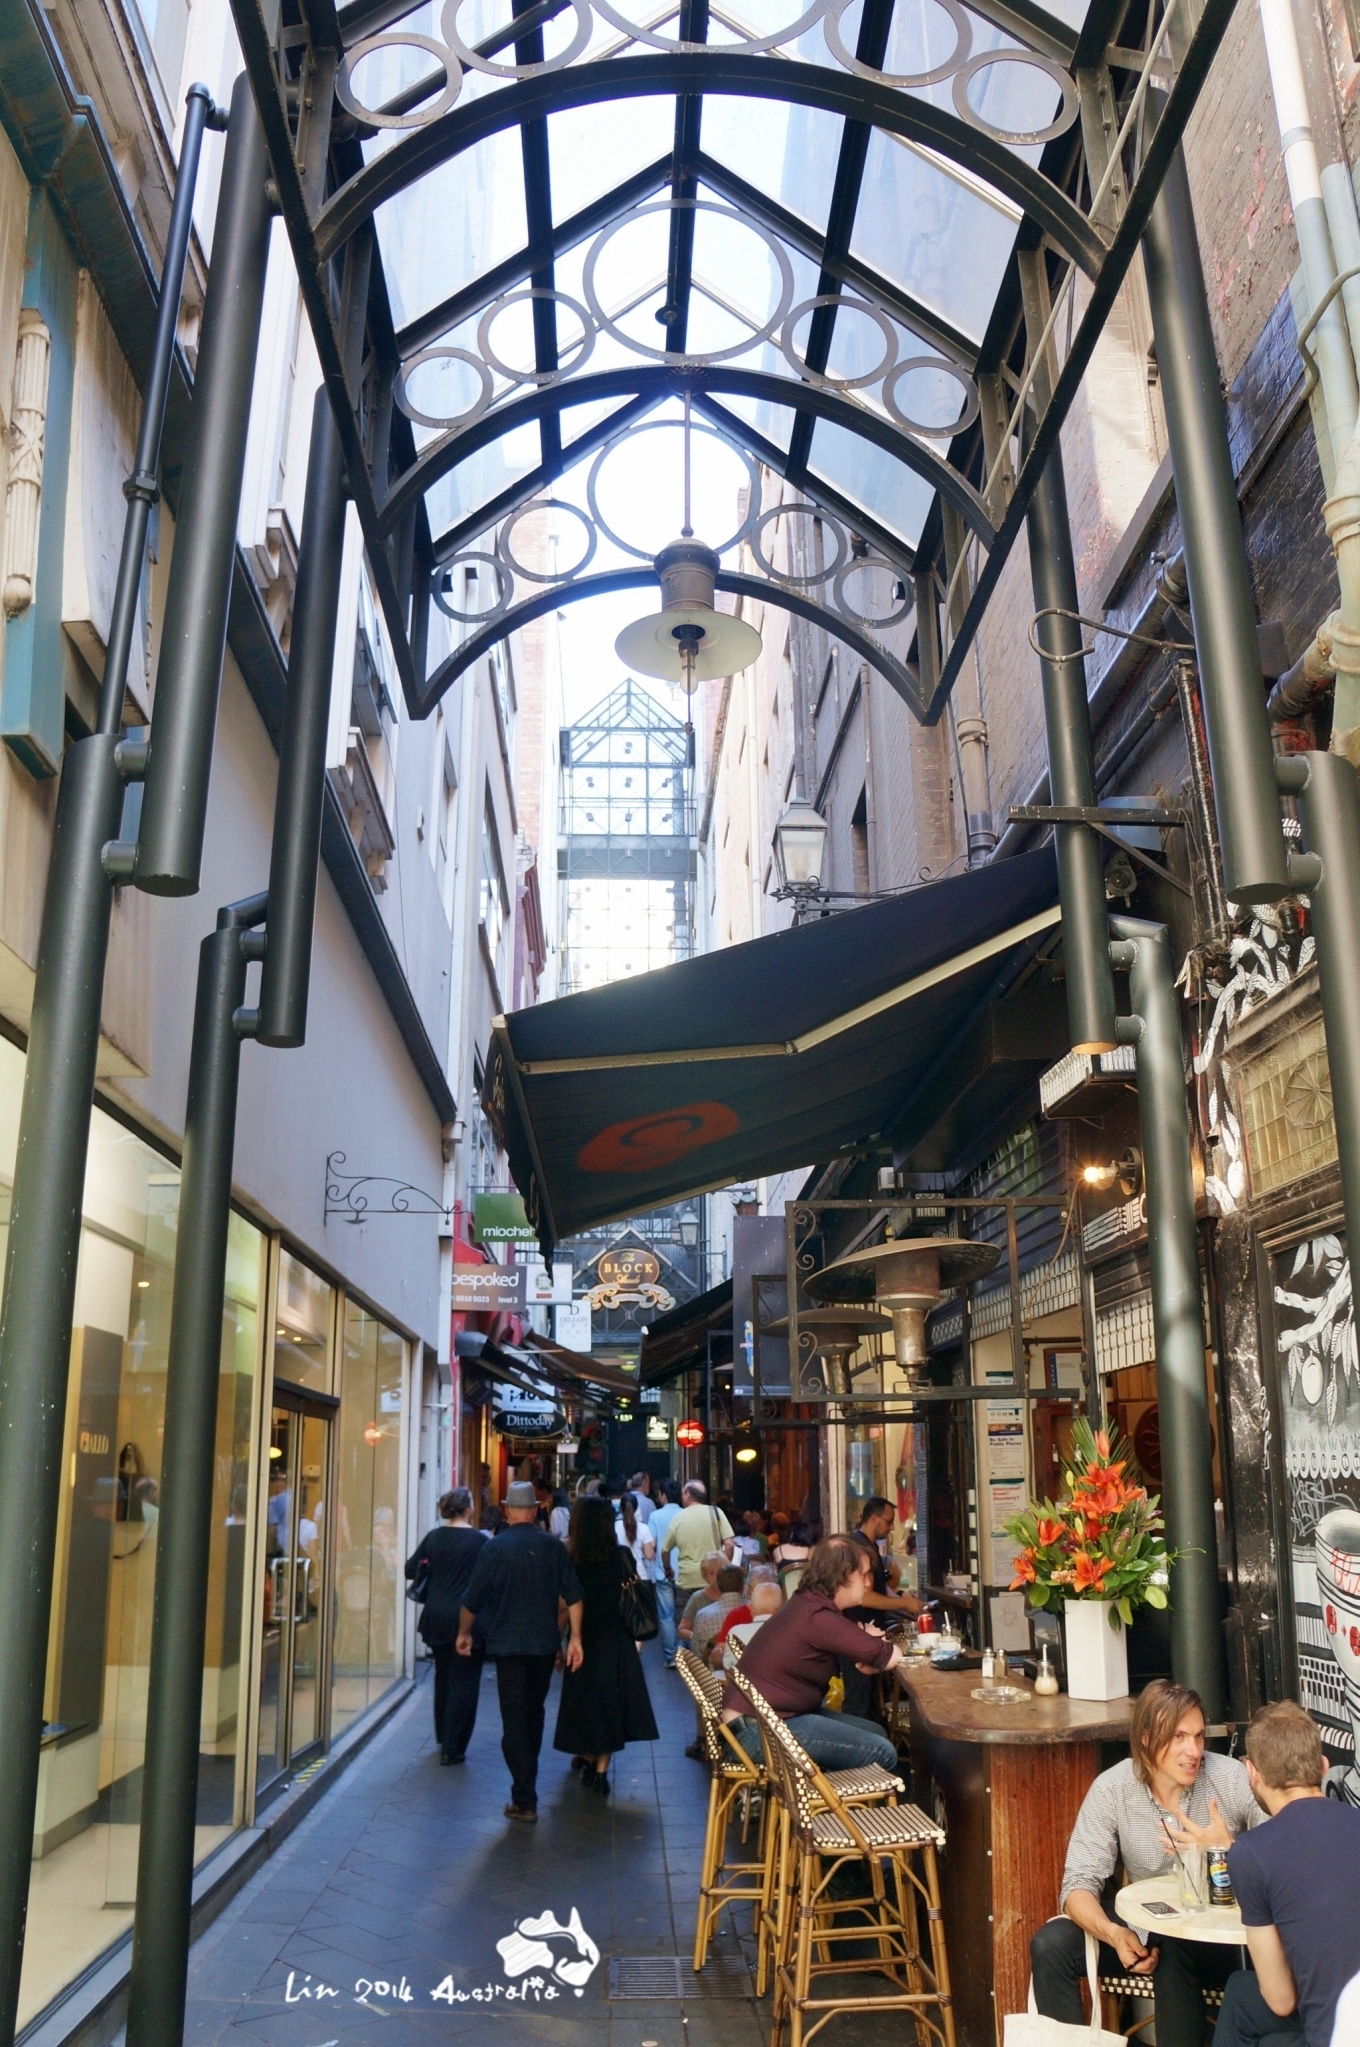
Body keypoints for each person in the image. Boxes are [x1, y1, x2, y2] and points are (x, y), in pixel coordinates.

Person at [1031, 1679, 1262, 2047]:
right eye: (1178, 1737)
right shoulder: (1113, 1788)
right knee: (1051, 1945)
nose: (1193, 1751)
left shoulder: (1230, 1778)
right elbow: (1077, 1885)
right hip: (1145, 1925)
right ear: (1145, 1739)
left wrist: (1230, 1849)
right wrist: (1114, 1934)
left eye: (1198, 1736)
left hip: (1223, 1935)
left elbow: (1284, 1860)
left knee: (1173, 1944)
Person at [1212, 1701, 1360, 2047]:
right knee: (1241, 1994)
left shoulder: (1251, 1853)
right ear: (1323, 1766)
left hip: (1337, 2036)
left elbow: (1281, 2000)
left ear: (1253, 1773)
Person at [457, 1480, 584, 1823]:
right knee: (534, 1711)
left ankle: (524, 1795)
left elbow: (472, 1599)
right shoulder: (553, 1547)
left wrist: (464, 1633)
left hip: (508, 1646)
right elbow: (574, 1596)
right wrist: (574, 1638)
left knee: (514, 1717)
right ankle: (526, 1781)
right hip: (543, 1644)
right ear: (534, 1510)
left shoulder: (495, 1548)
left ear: (509, 1511)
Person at [720, 1535, 902, 1773]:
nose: (868, 1583)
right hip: (760, 1730)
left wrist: (872, 1651)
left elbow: (864, 1645)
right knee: (882, 1751)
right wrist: (880, 1650)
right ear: (845, 1575)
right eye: (864, 1574)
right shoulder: (818, 1616)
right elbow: (891, 1656)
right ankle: (834, 1796)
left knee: (875, 1732)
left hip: (765, 1719)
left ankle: (836, 1794)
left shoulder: (809, 1603)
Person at [553, 1497, 659, 1793]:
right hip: (616, 1641)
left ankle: (588, 1759)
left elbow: (563, 1607)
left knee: (585, 1705)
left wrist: (557, 1644)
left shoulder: (570, 1558)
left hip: (582, 1641)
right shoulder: (621, 1555)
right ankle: (600, 1772)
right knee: (610, 1706)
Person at [404, 1488, 488, 1765]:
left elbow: (410, 1569)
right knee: (465, 1681)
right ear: (468, 1509)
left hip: (436, 1615)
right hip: (468, 1617)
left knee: (443, 1675)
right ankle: (453, 1747)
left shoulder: (434, 1537)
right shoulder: (480, 1541)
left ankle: (442, 1734)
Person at [841, 1496, 925, 1717]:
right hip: (857, 1633)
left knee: (868, 1702)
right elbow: (865, 1597)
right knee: (858, 1702)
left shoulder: (868, 1546)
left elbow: (879, 1589)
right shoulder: (859, 1548)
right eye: (888, 1522)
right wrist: (904, 1603)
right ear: (874, 1519)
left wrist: (905, 1601)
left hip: (867, 1633)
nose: (891, 1527)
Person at [664, 1480, 735, 1594]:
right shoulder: (716, 1512)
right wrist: (723, 1568)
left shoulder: (678, 1518)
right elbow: (729, 1544)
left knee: (686, 1606)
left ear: (687, 1494)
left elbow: (665, 1550)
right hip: (712, 1578)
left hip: (687, 1580)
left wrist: (667, 1568)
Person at [649, 1481, 683, 1668]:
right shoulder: (685, 1514)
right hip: (684, 1571)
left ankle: (671, 1657)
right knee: (686, 1614)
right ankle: (685, 1655)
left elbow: (652, 1544)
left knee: (666, 1616)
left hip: (663, 1571)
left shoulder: (655, 1516)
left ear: (663, 1495)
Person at [722, 1579, 784, 1672]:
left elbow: (728, 1668)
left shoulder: (735, 1633)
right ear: (783, 1608)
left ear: (751, 1609)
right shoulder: (795, 1634)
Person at [692, 1564, 747, 1667]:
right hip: (749, 1673)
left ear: (718, 1587)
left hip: (713, 1674)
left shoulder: (703, 1615)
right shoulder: (755, 1610)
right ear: (743, 1586)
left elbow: (696, 1653)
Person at [678, 1550, 728, 1643]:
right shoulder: (698, 1598)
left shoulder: (735, 1594)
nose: (716, 1577)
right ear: (705, 1576)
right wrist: (697, 1637)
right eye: (711, 1573)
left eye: (720, 1572)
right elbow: (682, 1629)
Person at [616, 1491, 656, 1580]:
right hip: (639, 1574)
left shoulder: (614, 1527)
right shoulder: (644, 1528)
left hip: (620, 1573)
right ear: (637, 1508)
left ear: (621, 1508)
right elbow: (649, 1555)